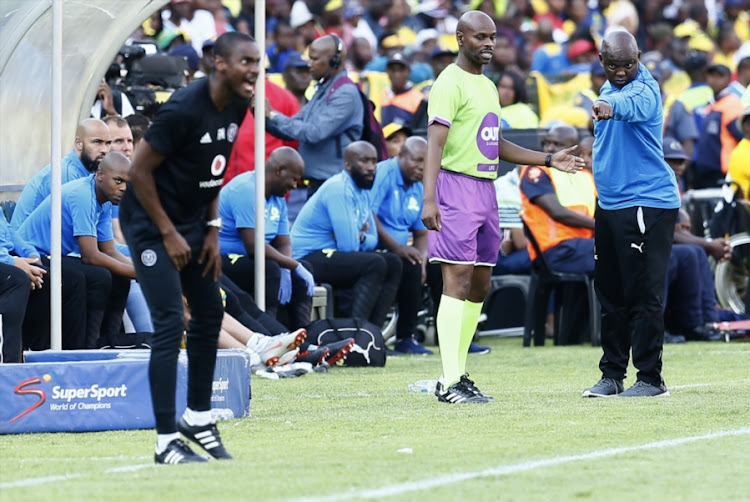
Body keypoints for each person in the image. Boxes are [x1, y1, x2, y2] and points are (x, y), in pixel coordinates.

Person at [421, 11, 584, 404]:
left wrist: (548, 160)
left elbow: (495, 144)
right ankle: (449, 379)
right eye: (480, 37)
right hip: (455, 186)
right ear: (460, 39)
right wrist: (429, 198)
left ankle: (457, 373)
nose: (489, 43)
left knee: (480, 283)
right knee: (456, 280)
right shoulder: (448, 82)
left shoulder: (488, 87)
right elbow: (435, 144)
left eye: (492, 37)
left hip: (485, 189)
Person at [119, 32, 260, 464]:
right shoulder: (183, 107)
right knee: (168, 325)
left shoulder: (239, 101)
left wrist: (213, 228)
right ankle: (165, 441)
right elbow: (138, 172)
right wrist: (167, 233)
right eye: (246, 61)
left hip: (193, 222)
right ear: (218, 62)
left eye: (258, 61)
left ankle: (198, 417)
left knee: (210, 314)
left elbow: (212, 170)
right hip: (148, 221)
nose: (254, 69)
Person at [582, 29, 681, 399]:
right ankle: (611, 375)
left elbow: (632, 106)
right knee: (610, 293)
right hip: (610, 204)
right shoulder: (609, 88)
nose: (622, 70)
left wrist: (612, 108)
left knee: (643, 293)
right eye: (613, 65)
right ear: (602, 61)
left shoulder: (644, 89)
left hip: (646, 202)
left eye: (629, 63)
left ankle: (651, 379)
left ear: (638, 58)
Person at [18, 152, 135, 349]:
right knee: (96, 277)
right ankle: (84, 348)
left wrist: (139, 270)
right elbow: (90, 256)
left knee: (119, 277)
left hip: (56, 255)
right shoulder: (82, 195)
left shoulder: (105, 199)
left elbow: (109, 250)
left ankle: (109, 342)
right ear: (99, 175)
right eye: (118, 181)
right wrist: (137, 272)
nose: (123, 188)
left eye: (128, 184)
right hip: (32, 254)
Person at [291, 141, 402, 328]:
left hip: (332, 253)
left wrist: (360, 236)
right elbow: (349, 247)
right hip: (307, 257)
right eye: (364, 161)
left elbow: (370, 241)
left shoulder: (363, 191)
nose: (371, 168)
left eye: (374, 161)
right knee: (374, 264)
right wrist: (357, 237)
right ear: (348, 164)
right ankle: (354, 330)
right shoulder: (339, 188)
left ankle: (373, 334)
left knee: (394, 263)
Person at [219, 147, 315, 330]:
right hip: (225, 260)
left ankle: (303, 334)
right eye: (294, 179)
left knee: (301, 271)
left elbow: (283, 242)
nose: (295, 185)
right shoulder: (247, 189)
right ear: (279, 170)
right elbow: (253, 246)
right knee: (270, 269)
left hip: (257, 259)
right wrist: (291, 264)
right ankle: (271, 333)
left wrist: (288, 267)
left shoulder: (278, 198)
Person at [265, 34, 364, 197]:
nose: (309, 65)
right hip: (319, 185)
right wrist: (264, 118)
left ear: (334, 60)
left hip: (335, 187)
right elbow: (292, 126)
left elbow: (313, 133)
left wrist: (273, 115)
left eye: (314, 59)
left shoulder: (345, 93)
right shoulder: (323, 89)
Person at [371, 136, 431, 354]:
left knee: (438, 266)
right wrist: (398, 248)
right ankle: (398, 337)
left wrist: (423, 260)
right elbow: (370, 216)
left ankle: (453, 338)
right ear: (401, 156)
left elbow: (421, 233)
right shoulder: (384, 174)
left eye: (427, 161)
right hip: (375, 247)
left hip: (402, 251)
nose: (422, 167)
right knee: (407, 265)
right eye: (417, 160)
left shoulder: (419, 184)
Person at [11, 118, 111, 230]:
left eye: (108, 143)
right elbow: (76, 236)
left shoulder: (93, 176)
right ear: (79, 143)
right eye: (97, 142)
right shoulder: (66, 174)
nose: (104, 150)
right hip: (30, 246)